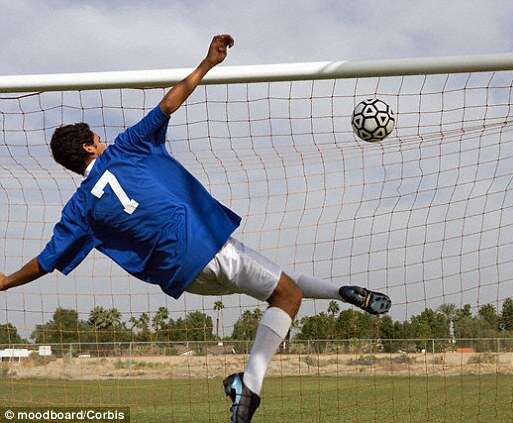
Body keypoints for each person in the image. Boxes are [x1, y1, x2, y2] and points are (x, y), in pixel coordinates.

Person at [0, 34, 391, 423]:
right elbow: (169, 103)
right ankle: (249, 387)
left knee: (279, 284)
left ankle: (340, 292)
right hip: (205, 244)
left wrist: (5, 281)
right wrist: (207, 63)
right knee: (287, 297)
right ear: (89, 148)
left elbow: (46, 262)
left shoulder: (79, 210)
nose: (102, 141)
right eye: (96, 139)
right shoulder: (126, 148)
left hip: (183, 277)